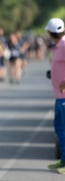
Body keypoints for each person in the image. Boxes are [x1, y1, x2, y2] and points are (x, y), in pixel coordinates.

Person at [45, 18, 65, 174]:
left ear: (50, 32)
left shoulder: (64, 44)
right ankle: (63, 159)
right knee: (58, 128)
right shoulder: (57, 46)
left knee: (64, 129)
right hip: (58, 96)